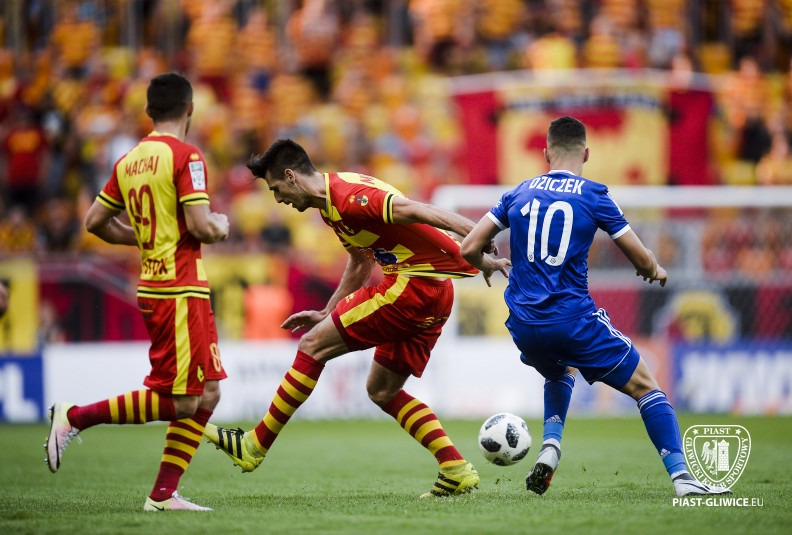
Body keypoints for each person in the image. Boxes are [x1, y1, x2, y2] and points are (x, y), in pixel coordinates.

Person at [205, 138, 506, 498]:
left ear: (291, 176)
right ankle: (455, 468)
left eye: (276, 189)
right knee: (382, 390)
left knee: (312, 346)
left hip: (410, 287)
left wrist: (477, 235)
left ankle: (255, 444)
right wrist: (327, 311)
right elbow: (361, 261)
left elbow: (418, 210)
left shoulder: (350, 198)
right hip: (433, 292)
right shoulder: (330, 206)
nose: (278, 199)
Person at [460, 116, 730, 498]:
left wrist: (488, 263)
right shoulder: (594, 195)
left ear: (545, 153)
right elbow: (640, 258)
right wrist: (654, 269)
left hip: (523, 323)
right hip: (572, 320)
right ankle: (683, 478)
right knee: (646, 386)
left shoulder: (517, 193)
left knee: (560, 368)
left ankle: (551, 445)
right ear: (586, 153)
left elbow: (468, 247)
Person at [45, 73, 230, 511]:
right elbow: (202, 225)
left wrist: (146, 237)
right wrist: (220, 227)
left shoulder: (128, 161)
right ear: (190, 109)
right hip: (178, 288)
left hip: (162, 284)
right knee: (184, 401)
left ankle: (163, 495)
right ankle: (74, 417)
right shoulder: (186, 156)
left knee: (208, 392)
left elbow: (94, 222)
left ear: (149, 112)